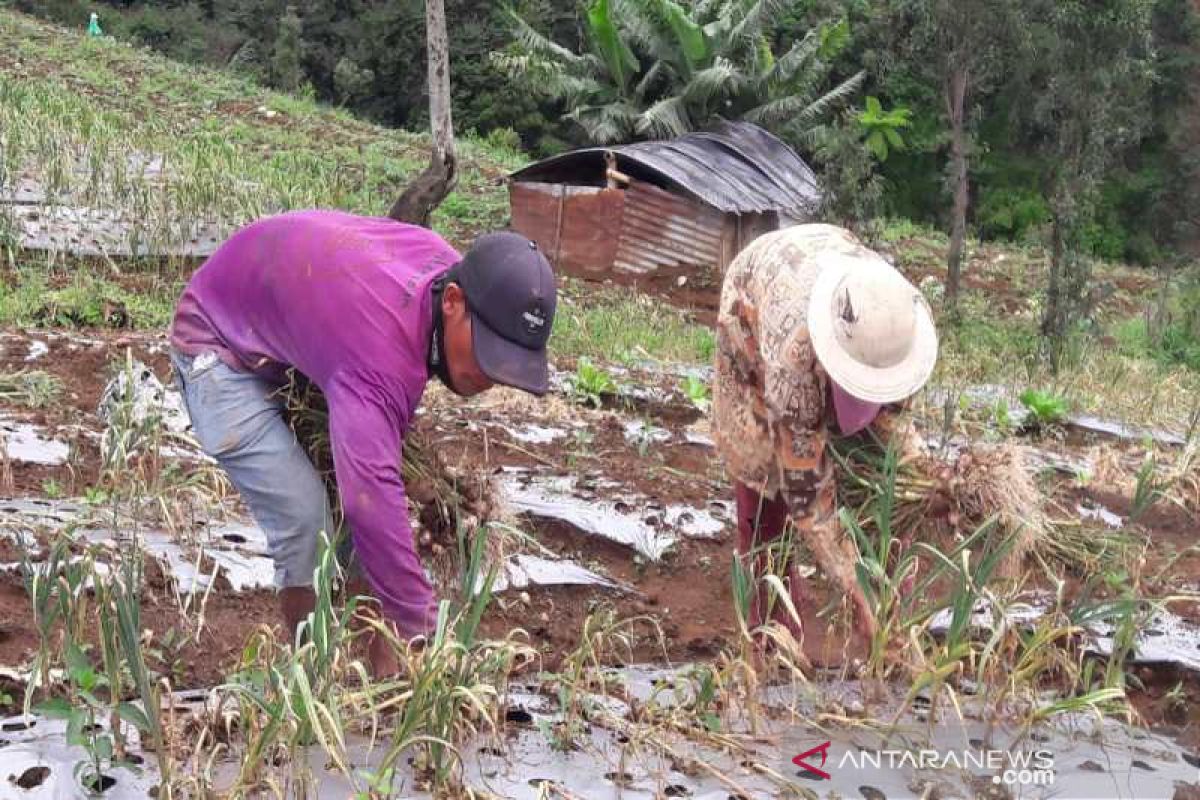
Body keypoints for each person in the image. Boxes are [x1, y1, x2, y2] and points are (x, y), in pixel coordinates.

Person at [169, 209, 556, 674]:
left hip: (292, 344)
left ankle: (384, 681)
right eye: (488, 355)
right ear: (452, 302)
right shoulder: (380, 348)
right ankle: (310, 684)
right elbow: (370, 496)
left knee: (365, 534)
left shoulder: (450, 281)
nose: (491, 377)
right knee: (307, 518)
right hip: (219, 343)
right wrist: (425, 630)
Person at [711, 223, 937, 647]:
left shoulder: (899, 325)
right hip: (755, 308)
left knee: (889, 490)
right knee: (764, 486)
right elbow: (809, 494)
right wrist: (855, 587)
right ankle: (772, 631)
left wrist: (934, 484)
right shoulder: (791, 359)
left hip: (828, 267)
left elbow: (900, 434)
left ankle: (895, 627)